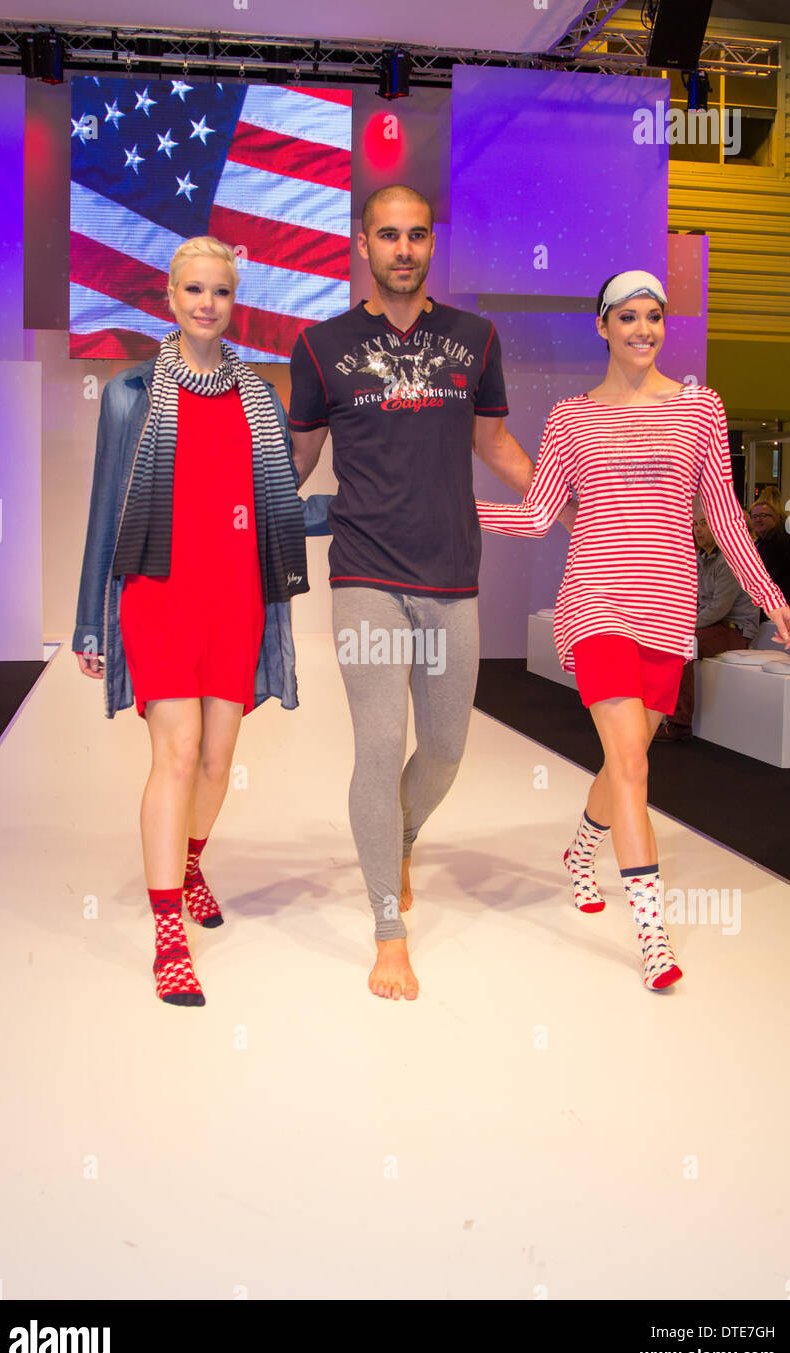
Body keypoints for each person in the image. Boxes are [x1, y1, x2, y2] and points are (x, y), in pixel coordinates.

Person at [287, 183, 574, 1003]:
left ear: (429, 246)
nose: (403, 249)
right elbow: (297, 460)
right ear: (363, 245)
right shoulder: (321, 347)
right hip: (366, 575)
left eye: (416, 236)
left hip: (452, 579)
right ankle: (388, 926)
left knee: (445, 750)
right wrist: (237, 515)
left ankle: (398, 836)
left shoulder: (474, 339)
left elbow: (496, 443)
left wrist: (566, 502)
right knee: (380, 748)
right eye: (388, 235)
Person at [475, 270, 790, 991]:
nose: (644, 330)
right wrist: (460, 512)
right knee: (633, 767)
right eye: (628, 317)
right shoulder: (569, 418)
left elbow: (722, 513)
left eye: (654, 317)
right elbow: (536, 517)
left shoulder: (700, 410)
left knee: (629, 759)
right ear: (602, 326)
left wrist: (767, 590)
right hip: (596, 604)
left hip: (669, 609)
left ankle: (582, 849)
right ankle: (653, 936)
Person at [73, 236, 329, 1008]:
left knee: (218, 763)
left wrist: (369, 510)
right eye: (194, 290)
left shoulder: (259, 398)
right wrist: (91, 620)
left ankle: (190, 864)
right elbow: (103, 514)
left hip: (235, 601)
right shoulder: (131, 394)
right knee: (177, 757)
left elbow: (282, 507)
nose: (207, 304)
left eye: (220, 291)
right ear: (171, 297)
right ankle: (167, 938)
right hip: (157, 595)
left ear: (232, 300)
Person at [654, 510, 759, 740]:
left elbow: (719, 608)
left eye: (703, 524)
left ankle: (680, 723)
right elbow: (697, 601)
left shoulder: (732, 559)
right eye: (695, 524)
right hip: (712, 625)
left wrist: (683, 625)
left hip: (733, 628)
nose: (697, 529)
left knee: (680, 646)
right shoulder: (701, 557)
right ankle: (656, 713)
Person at [749, 497, 790, 612]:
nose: (758, 519)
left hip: (782, 602)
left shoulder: (779, 541)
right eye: (754, 517)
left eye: (763, 515)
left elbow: (766, 576)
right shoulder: (760, 542)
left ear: (774, 519)